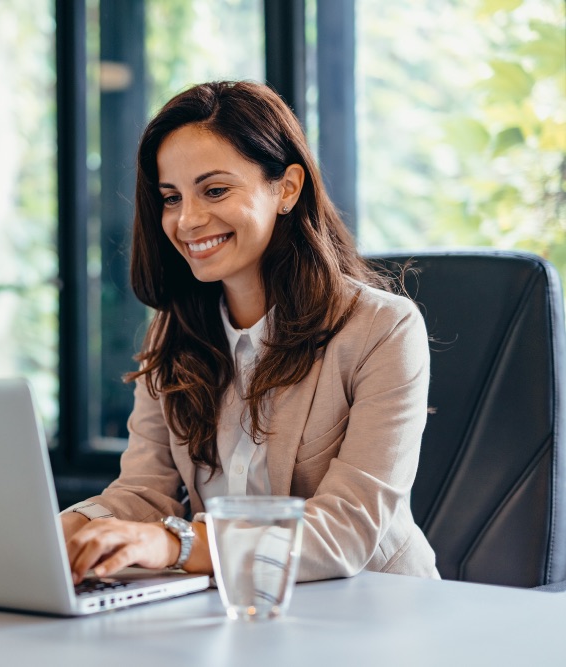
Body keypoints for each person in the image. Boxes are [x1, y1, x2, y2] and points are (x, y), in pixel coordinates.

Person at [61, 80, 439, 584]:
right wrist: (61, 531)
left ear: (286, 188)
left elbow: (346, 529)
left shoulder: (382, 330)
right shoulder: (172, 333)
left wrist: (176, 543)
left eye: (215, 190)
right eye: (171, 198)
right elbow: (143, 492)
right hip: (229, 611)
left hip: (370, 607)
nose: (187, 220)